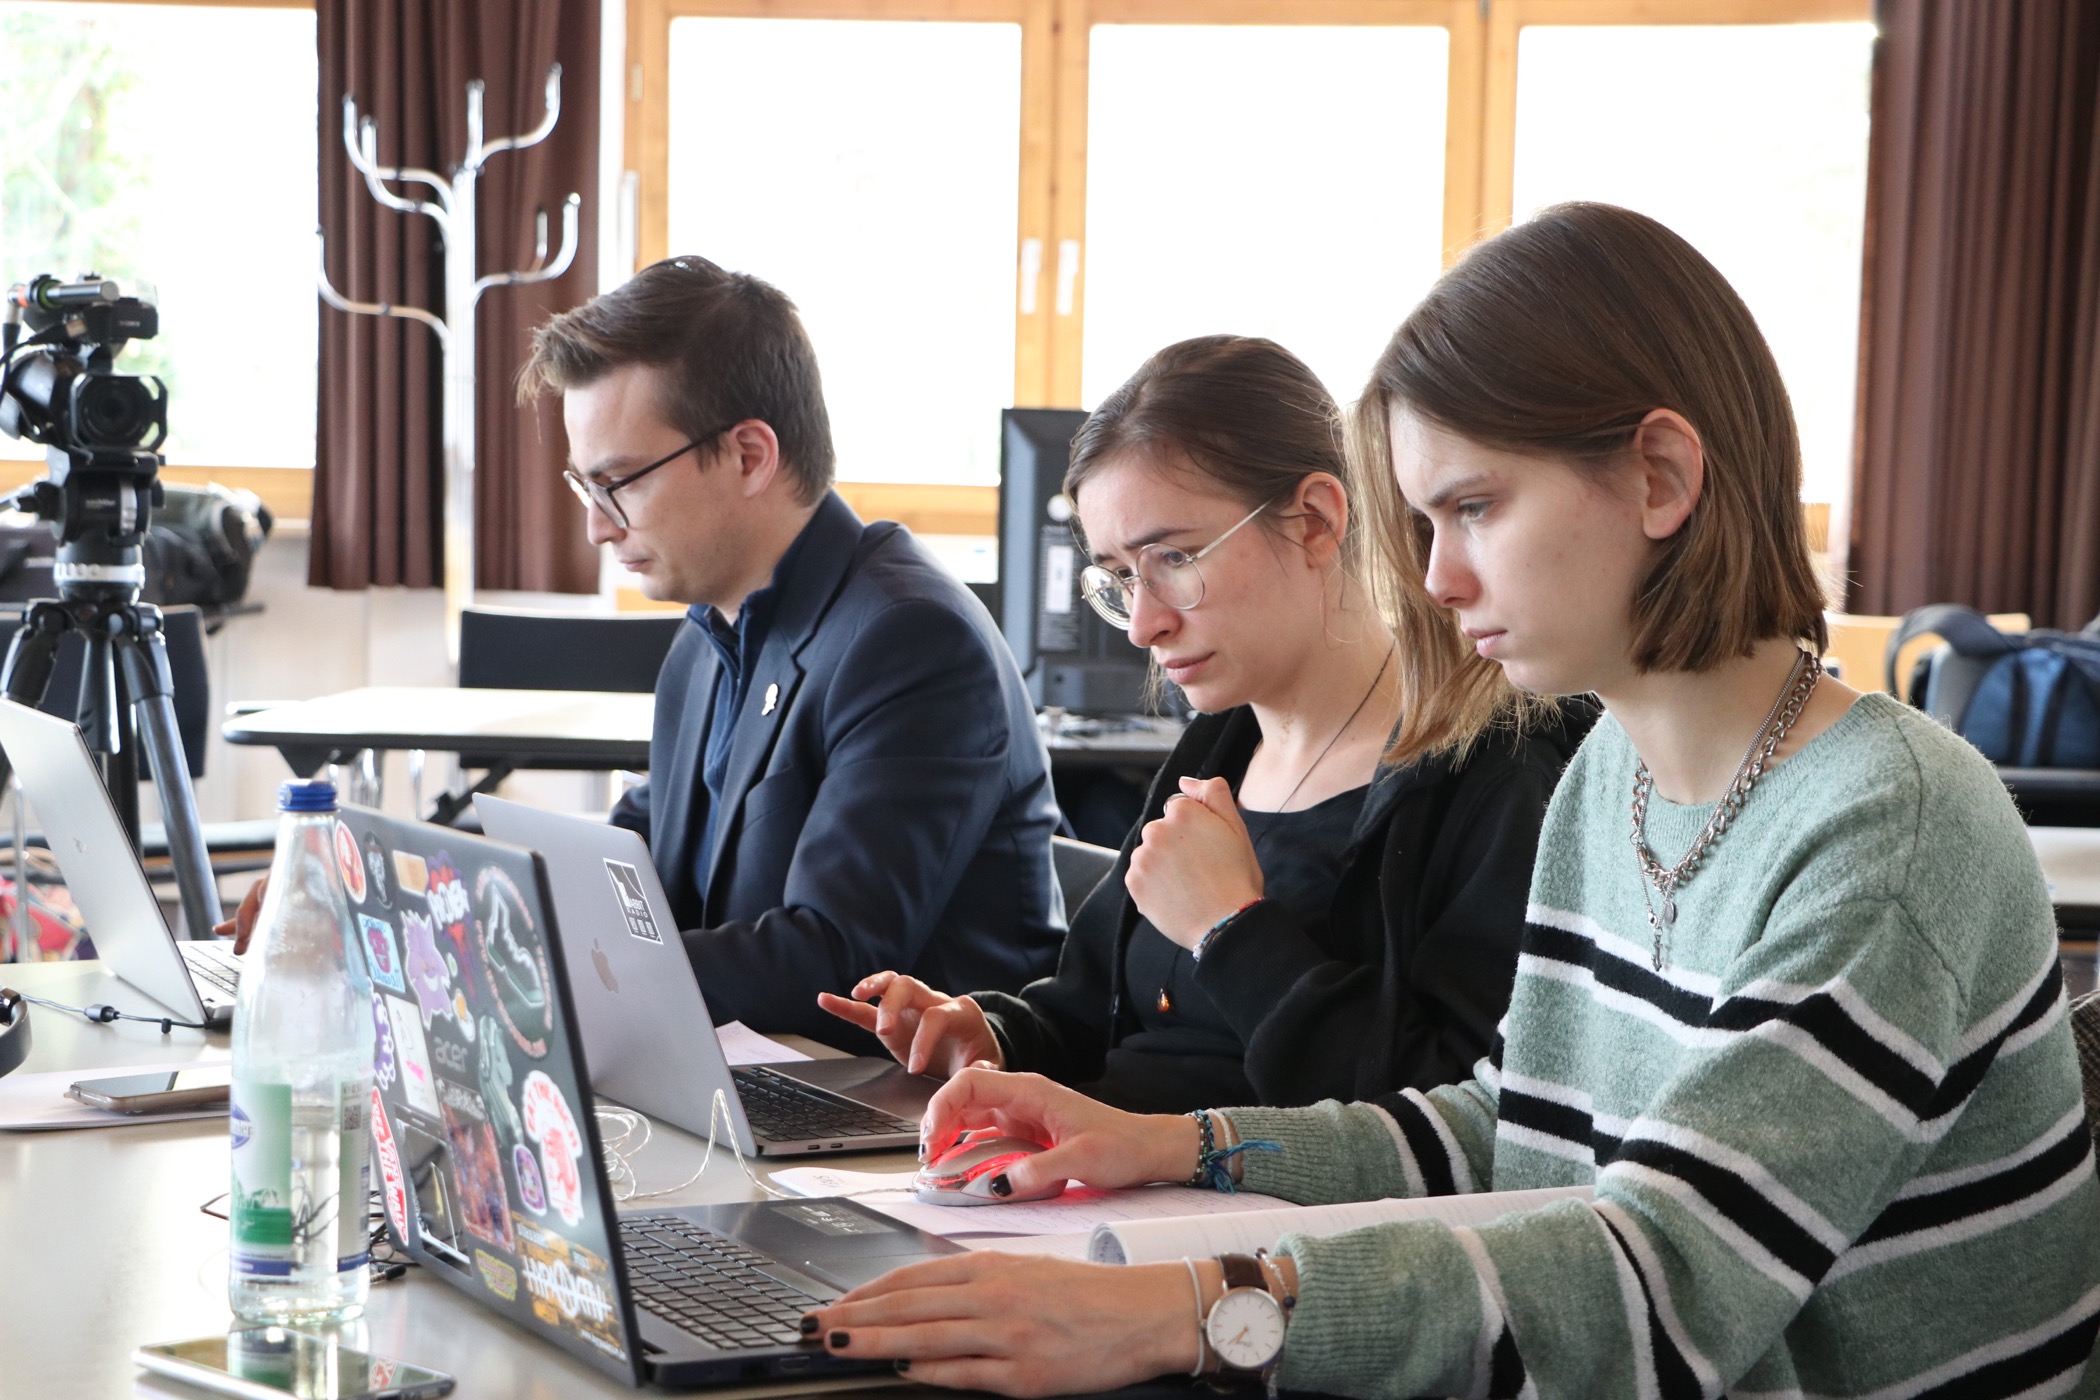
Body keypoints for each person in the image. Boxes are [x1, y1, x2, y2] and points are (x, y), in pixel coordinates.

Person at [798, 204, 2100, 1398]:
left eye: (1473, 508)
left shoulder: (1888, 824)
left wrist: (1190, 1309)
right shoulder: (1614, 775)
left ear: (1660, 476)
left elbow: (1659, 1288)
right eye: (1424, 524)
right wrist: (1176, 1145)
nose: (1436, 580)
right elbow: (1510, 1129)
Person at [223, 256, 1068, 1057]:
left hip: (904, 1116)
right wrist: (392, 902)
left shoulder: (909, 640)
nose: (597, 525)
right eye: (584, 487)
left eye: (618, 483)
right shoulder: (708, 636)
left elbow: (830, 966)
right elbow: (627, 870)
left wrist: (495, 959)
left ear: (749, 456)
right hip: (749, 1084)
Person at [820, 334, 1582, 1112]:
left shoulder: (1492, 776)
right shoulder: (1221, 747)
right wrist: (992, 1033)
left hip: (1235, 1189)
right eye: (1121, 578)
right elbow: (1091, 1013)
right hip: (1096, 1167)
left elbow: (1451, 1120)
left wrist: (1231, 929)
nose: (1141, 625)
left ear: (1316, 520)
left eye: (1174, 559)